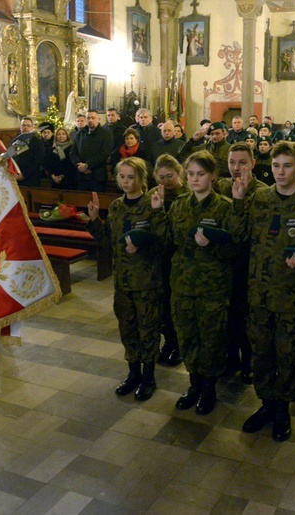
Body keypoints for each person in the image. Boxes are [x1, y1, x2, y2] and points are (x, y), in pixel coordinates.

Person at [235, 141, 295, 442]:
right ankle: (266, 404)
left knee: (288, 353)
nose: (281, 172)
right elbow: (240, 235)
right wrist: (239, 201)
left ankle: (282, 408)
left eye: (287, 165)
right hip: (258, 293)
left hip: (290, 295)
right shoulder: (259, 198)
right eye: (276, 166)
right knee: (261, 353)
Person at [158, 150, 243, 415]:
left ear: (213, 176)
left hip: (212, 286)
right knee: (187, 336)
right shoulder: (180, 205)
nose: (195, 179)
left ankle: (208, 388)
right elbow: (167, 242)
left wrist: (212, 246)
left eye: (201, 174)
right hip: (182, 284)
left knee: (211, 339)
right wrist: (157, 212)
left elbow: (235, 250)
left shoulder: (224, 207)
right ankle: (194, 384)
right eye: (191, 174)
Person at [87, 157, 165, 401]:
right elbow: (109, 243)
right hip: (123, 282)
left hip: (147, 281)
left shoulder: (150, 204)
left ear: (142, 178)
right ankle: (133, 373)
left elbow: (163, 242)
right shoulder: (116, 207)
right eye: (122, 177)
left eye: (131, 177)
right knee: (127, 328)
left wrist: (142, 247)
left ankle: (149, 376)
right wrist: (93, 221)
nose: (126, 181)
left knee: (148, 329)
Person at [216, 142, 266, 384]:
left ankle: (249, 362)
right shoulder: (222, 187)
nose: (236, 168)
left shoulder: (264, 192)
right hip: (225, 263)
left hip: (252, 264)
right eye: (232, 162)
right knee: (228, 315)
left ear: (253, 163)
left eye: (242, 162)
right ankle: (230, 359)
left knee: (249, 316)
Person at [150, 155, 189, 367]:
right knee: (163, 303)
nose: (165, 181)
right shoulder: (154, 194)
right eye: (161, 177)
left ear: (179, 173)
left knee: (179, 304)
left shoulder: (188, 194)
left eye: (170, 176)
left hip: (182, 258)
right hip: (160, 258)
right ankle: (169, 342)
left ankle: (181, 345)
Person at [70, 110, 114, 192]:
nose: (90, 120)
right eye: (88, 118)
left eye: (93, 118)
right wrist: (79, 165)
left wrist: (87, 165)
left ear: (99, 119)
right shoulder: (79, 134)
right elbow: (73, 153)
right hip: (81, 176)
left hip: (97, 176)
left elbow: (104, 154)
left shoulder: (106, 134)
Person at [13, 117, 45, 187]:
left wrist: (24, 175)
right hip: (16, 176)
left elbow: (38, 161)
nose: (25, 127)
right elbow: (11, 158)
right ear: (20, 127)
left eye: (28, 125)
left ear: (32, 128)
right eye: (23, 125)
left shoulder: (37, 142)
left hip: (32, 177)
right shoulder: (15, 141)